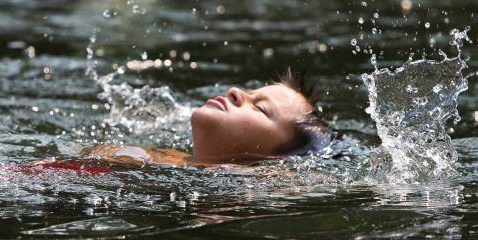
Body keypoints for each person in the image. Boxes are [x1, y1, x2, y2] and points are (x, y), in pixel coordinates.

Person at [27, 70, 335, 172]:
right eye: (250, 92)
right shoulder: (152, 157)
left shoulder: (265, 181)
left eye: (262, 109)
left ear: (276, 161)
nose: (235, 91)